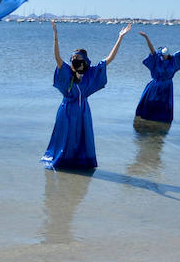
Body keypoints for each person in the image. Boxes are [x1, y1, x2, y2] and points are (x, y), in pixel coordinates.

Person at [42, 22, 131, 170]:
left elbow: (109, 58)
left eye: (77, 58)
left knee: (83, 136)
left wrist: (120, 37)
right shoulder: (66, 72)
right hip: (67, 110)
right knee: (66, 137)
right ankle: (64, 164)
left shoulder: (90, 73)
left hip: (84, 111)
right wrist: (55, 36)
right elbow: (57, 57)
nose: (73, 60)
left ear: (83, 60)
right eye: (72, 58)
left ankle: (81, 164)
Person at [134, 32, 180, 131]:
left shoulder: (173, 59)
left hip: (167, 86)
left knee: (164, 105)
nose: (164, 56)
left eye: (166, 55)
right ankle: (147, 121)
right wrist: (146, 37)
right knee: (150, 103)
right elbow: (151, 47)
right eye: (163, 55)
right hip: (156, 85)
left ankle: (160, 123)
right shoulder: (157, 59)